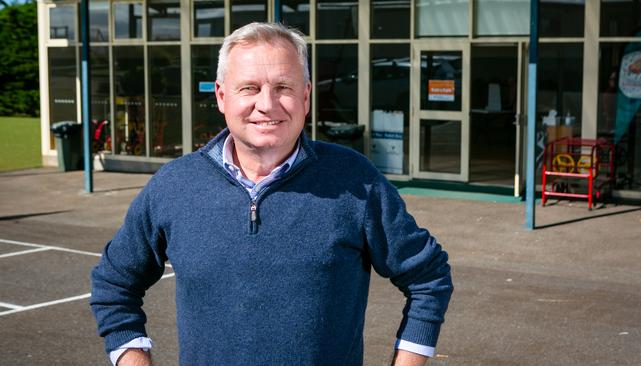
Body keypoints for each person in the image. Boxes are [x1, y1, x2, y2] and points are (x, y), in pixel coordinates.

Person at [90, 22, 453, 366]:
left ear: (306, 96)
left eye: (284, 87)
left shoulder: (355, 182)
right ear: (221, 96)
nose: (267, 104)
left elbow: (428, 278)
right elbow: (114, 283)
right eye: (249, 88)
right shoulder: (174, 186)